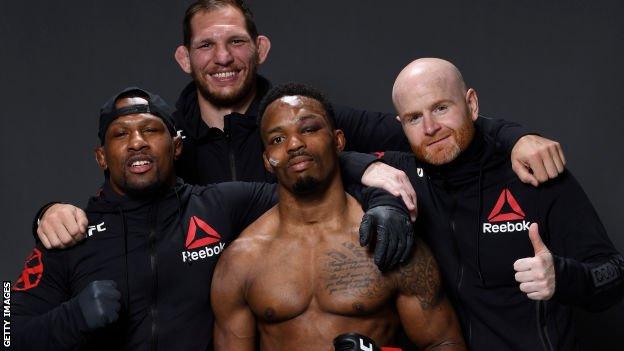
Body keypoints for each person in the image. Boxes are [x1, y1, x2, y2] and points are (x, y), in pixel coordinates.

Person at [36, 0, 566, 251]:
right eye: (206, 45)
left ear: (260, 49)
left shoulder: (307, 118)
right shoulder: (162, 137)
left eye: (237, 42)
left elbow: (427, 126)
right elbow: (120, 201)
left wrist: (513, 135)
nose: (223, 57)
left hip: (317, 289)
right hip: (215, 307)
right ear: (184, 58)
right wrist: (49, 213)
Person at [10, 87, 412, 351]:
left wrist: (378, 193)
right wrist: (72, 317)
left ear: (177, 146)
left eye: (151, 130)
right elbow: (7, 329)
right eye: (120, 134)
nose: (137, 142)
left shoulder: (220, 205)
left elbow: (308, 178)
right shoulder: (69, 231)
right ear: (101, 157)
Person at [370, 57, 624, 350]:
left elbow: (614, 274)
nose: (430, 127)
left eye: (441, 108)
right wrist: (367, 168)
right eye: (415, 117)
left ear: (472, 104)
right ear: (401, 125)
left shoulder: (531, 171)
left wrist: (563, 276)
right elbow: (320, 153)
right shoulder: (405, 175)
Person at [211, 83, 466, 350]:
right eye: (277, 139)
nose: (295, 144)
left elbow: (445, 343)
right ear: (267, 160)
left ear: (338, 141)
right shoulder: (241, 260)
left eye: (308, 129)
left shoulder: (388, 239)